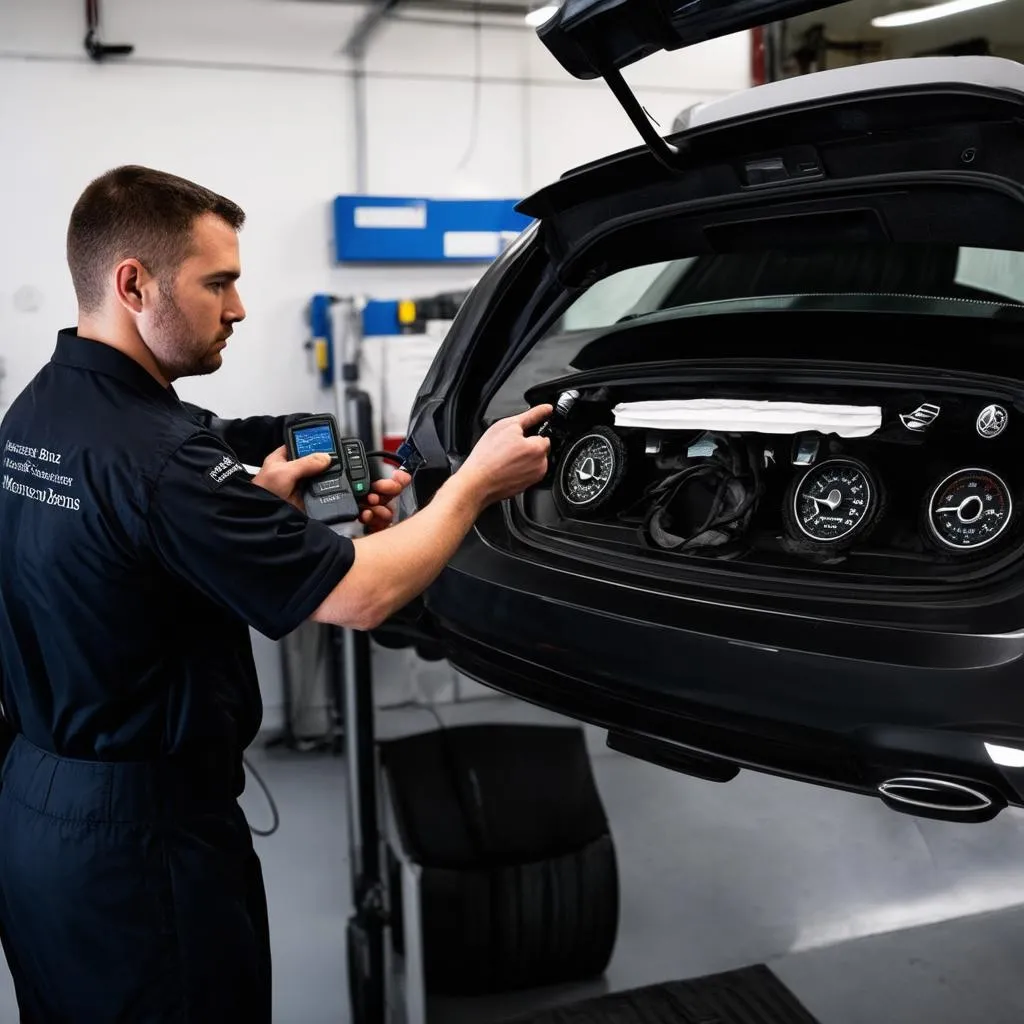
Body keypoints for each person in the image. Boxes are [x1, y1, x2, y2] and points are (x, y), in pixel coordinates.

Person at [0, 165, 551, 1023]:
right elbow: (362, 596)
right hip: (144, 844)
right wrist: (474, 486)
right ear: (133, 283)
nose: (239, 307)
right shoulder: (164, 464)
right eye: (217, 282)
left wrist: (260, 492)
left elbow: (141, 516)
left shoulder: (37, 416)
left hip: (38, 814)